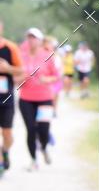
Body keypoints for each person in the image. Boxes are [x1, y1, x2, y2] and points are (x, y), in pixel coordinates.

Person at [19, 27, 60, 170]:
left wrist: (46, 79)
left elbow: (56, 76)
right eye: (29, 37)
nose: (31, 40)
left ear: (40, 40)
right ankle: (33, 160)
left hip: (44, 98)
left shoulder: (48, 55)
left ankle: (43, 147)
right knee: (30, 129)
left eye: (34, 37)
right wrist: (20, 78)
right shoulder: (21, 55)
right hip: (26, 98)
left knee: (43, 129)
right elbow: (16, 76)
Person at [0, 19, 24, 174]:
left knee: (7, 134)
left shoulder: (10, 47)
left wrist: (7, 68)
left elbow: (20, 71)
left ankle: (5, 151)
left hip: (6, 98)